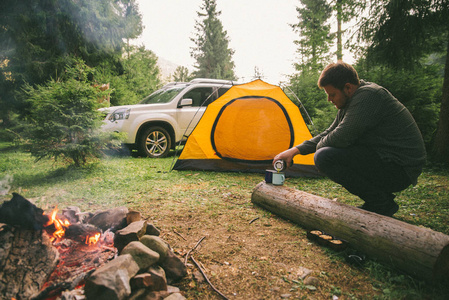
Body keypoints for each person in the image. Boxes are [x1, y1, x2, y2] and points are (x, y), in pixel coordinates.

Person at [273, 62, 426, 217]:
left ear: (348, 88)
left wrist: (319, 149)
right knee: (325, 152)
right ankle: (379, 201)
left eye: (332, 94)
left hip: (400, 169)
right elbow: (330, 132)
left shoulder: (369, 96)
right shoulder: (352, 100)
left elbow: (341, 137)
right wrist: (295, 151)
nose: (329, 99)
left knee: (324, 157)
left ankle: (381, 203)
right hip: (385, 160)